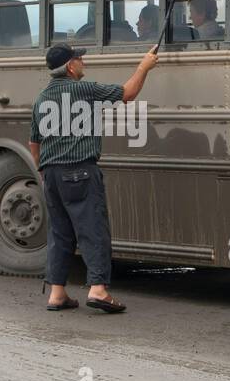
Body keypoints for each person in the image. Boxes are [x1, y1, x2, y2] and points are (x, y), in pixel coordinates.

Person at [30, 43, 159, 313]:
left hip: (51, 174)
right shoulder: (84, 90)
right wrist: (143, 66)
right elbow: (128, 93)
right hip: (80, 171)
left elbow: (34, 141)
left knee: (60, 233)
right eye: (79, 59)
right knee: (93, 230)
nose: (83, 63)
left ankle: (57, 292)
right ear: (69, 66)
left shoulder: (41, 98)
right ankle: (98, 290)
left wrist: (42, 171)